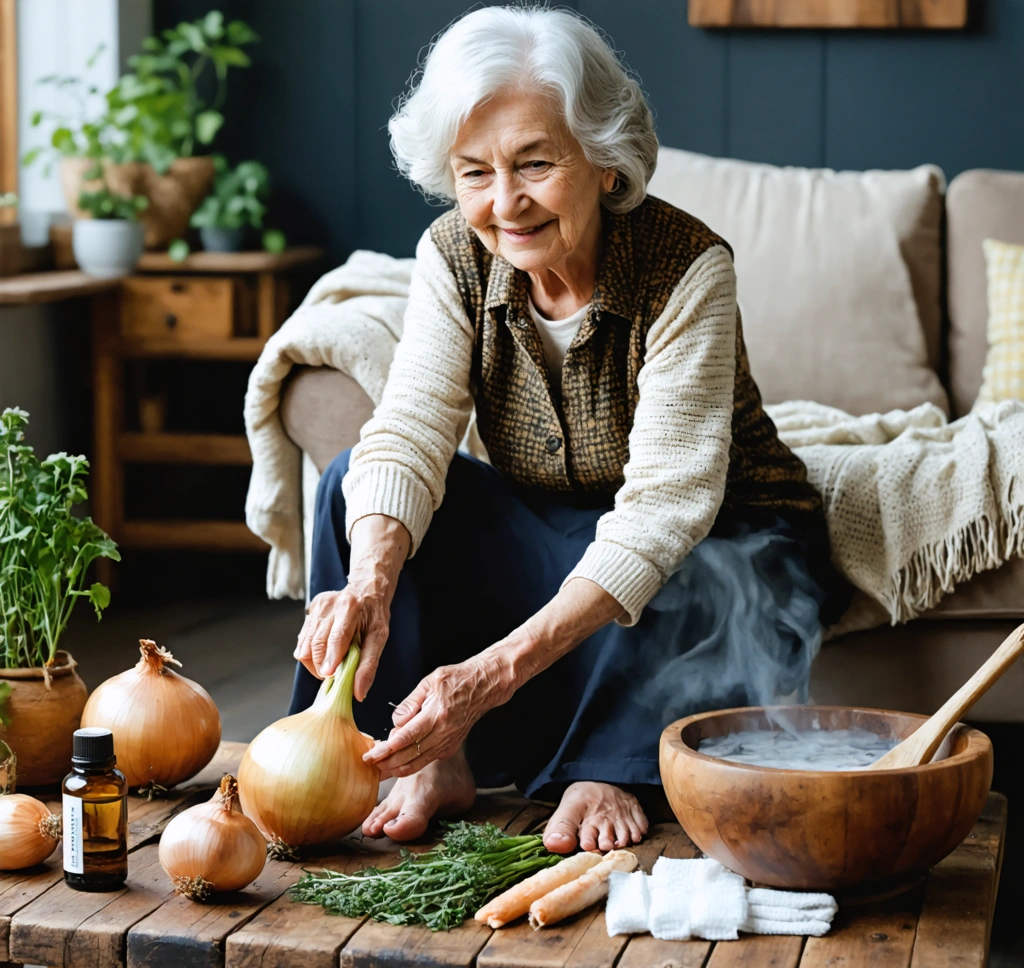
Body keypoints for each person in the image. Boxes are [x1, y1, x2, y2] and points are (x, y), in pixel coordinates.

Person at [292, 6, 843, 853]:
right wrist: (369, 580)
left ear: (604, 160)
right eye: (473, 172)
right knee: (353, 490)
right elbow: (410, 430)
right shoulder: (455, 256)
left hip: (717, 539)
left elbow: (664, 509)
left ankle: (608, 766)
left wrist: (491, 674)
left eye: (535, 164)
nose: (504, 202)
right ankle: (418, 753)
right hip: (558, 524)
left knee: (700, 559)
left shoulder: (687, 268)